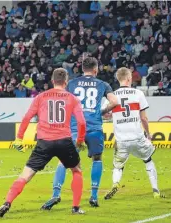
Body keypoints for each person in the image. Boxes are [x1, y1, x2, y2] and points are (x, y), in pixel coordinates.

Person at [0, 68, 87, 217]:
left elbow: (27, 117)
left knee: (26, 175)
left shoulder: (41, 97)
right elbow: (81, 123)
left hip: (44, 142)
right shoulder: (72, 98)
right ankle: (75, 208)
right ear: (66, 82)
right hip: (64, 141)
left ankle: (7, 203)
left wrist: (19, 137)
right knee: (76, 170)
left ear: (52, 80)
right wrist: (80, 140)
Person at [42, 57, 120, 209]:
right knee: (97, 159)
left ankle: (56, 194)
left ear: (82, 69)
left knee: (63, 161)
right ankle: (94, 196)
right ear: (96, 69)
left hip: (74, 128)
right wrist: (102, 111)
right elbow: (115, 101)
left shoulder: (71, 83)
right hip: (94, 128)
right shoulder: (102, 84)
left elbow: (61, 102)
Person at [101, 67, 162, 199]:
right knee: (148, 159)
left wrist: (112, 116)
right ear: (129, 78)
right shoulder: (138, 93)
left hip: (121, 140)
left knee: (118, 165)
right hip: (137, 137)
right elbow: (144, 118)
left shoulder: (112, 95)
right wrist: (148, 134)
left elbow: (105, 114)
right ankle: (155, 190)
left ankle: (115, 183)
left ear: (118, 79)